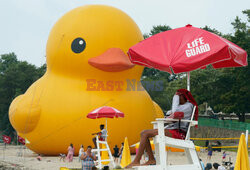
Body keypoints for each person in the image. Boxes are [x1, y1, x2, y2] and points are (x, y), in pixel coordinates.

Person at [126, 89, 198, 168]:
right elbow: (170, 115)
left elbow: (174, 113)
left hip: (179, 133)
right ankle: (151, 159)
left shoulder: (188, 106)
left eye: (177, 97)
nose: (175, 99)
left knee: (145, 133)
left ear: (182, 96)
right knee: (144, 133)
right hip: (172, 129)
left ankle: (137, 161)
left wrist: (175, 100)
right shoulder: (180, 106)